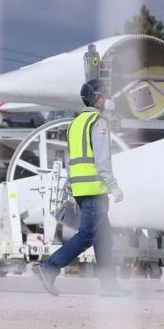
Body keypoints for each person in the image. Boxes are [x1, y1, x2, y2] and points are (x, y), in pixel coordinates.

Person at [36, 79, 127, 297]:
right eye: (103, 95)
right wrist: (114, 187)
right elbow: (102, 160)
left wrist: (71, 188)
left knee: (103, 237)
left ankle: (109, 285)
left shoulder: (75, 124)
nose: (105, 99)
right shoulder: (99, 122)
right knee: (87, 235)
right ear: (96, 98)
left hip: (80, 188)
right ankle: (50, 267)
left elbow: (71, 160)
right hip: (95, 189)